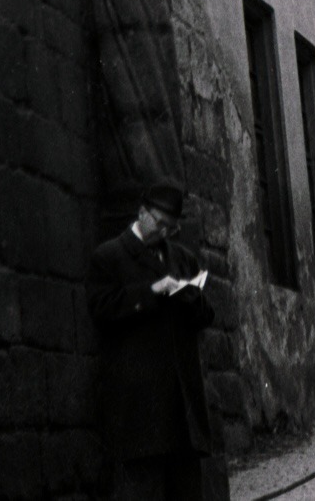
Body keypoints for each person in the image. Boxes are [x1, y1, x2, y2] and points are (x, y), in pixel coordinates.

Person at [89, 177, 222, 501]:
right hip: (140, 408)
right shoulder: (109, 256)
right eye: (160, 224)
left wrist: (190, 297)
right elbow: (101, 309)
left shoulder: (183, 259)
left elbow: (206, 317)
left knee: (187, 491)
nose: (163, 233)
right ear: (142, 213)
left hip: (182, 406)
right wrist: (149, 292)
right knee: (144, 491)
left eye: (170, 229)